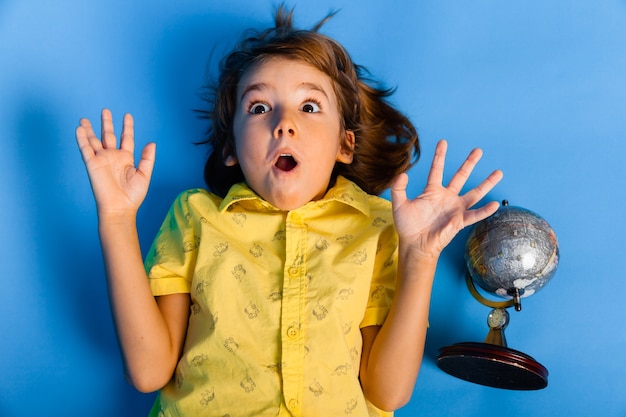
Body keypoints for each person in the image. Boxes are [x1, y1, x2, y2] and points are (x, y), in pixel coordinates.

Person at [75, 6, 502, 417]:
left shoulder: (380, 227)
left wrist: (420, 257)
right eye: (259, 108)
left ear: (344, 145)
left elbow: (388, 391)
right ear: (230, 148)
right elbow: (149, 373)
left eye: (309, 106)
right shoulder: (194, 216)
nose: (284, 123)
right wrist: (116, 219)